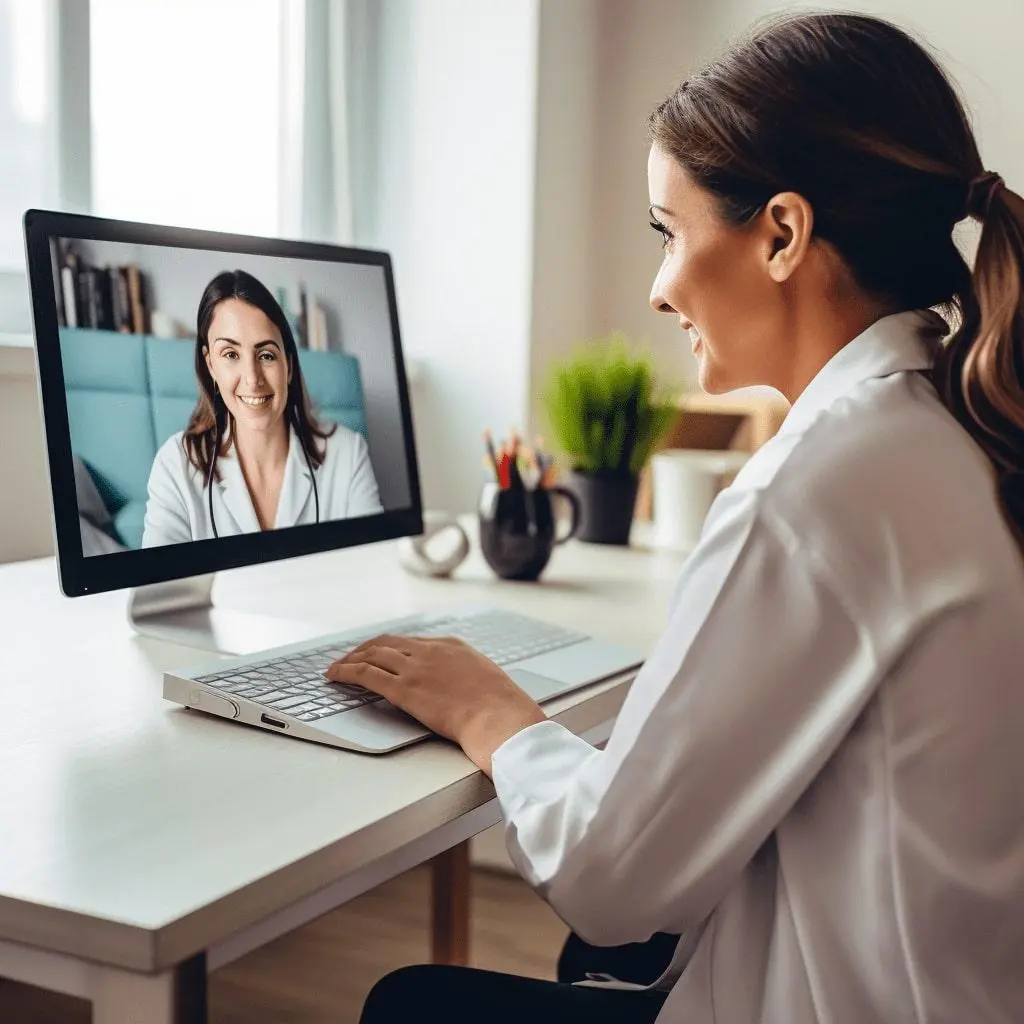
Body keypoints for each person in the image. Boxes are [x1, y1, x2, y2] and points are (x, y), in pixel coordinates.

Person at [330, 12, 1024, 1024]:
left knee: (411, 1004)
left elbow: (611, 885)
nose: (658, 289)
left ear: (781, 233)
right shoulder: (956, 417)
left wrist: (492, 713)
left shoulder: (819, 486)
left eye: (669, 230)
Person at [142, 269, 382, 547]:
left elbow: (373, 569)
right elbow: (160, 588)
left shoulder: (348, 454)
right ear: (211, 366)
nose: (253, 378)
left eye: (266, 355)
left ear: (288, 367)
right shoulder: (175, 466)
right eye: (231, 355)